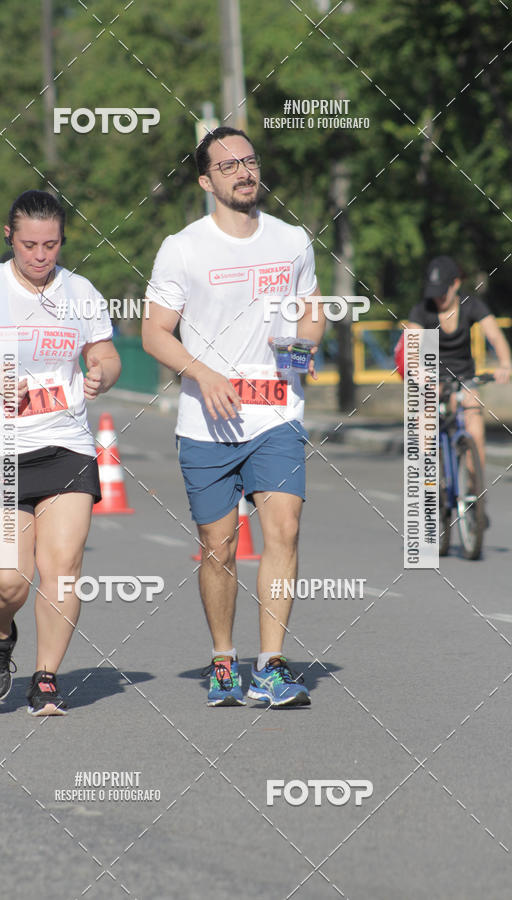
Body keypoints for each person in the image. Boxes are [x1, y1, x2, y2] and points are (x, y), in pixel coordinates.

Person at [142, 126, 325, 708]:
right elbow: (153, 333)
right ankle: (224, 657)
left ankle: (270, 664)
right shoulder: (183, 247)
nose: (244, 172)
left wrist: (301, 351)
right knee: (219, 547)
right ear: (206, 181)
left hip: (275, 412)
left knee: (284, 529)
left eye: (249, 161)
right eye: (228, 167)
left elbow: (310, 312)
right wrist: (203, 373)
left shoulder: (293, 240)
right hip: (207, 423)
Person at [0, 190, 121, 715]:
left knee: (62, 568)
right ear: (9, 237)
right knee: (7, 579)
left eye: (52, 245)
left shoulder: (80, 291)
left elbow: (103, 351)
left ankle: (46, 677)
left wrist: (104, 370)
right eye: (30, 244)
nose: (41, 256)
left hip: (65, 442)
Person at [407, 256, 511, 470]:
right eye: (433, 292)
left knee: (474, 424)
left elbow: (495, 336)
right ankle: (429, 483)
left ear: (456, 283)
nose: (438, 298)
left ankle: (475, 491)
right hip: (432, 377)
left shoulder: (471, 305)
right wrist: (415, 369)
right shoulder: (422, 310)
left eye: (442, 291)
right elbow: (411, 345)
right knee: (423, 429)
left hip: (465, 377)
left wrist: (505, 364)